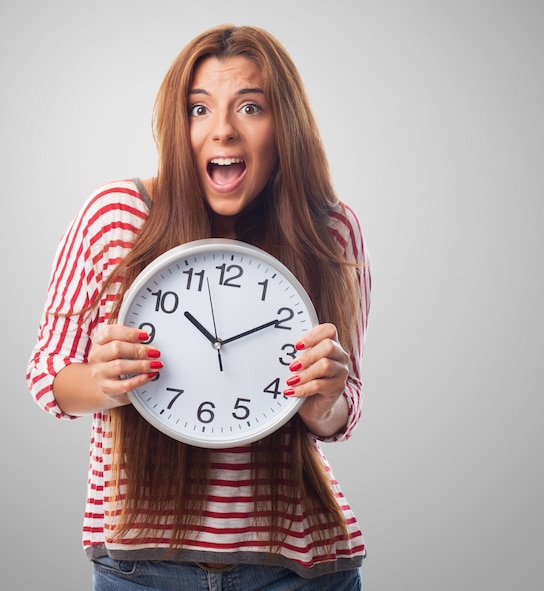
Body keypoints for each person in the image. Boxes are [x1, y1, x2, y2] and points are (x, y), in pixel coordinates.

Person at [26, 24, 371, 591]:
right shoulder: (114, 215)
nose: (223, 131)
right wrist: (105, 382)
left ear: (284, 125)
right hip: (141, 566)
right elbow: (47, 376)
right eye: (199, 109)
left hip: (298, 569)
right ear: (176, 123)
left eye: (251, 107)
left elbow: (343, 409)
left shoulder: (330, 229)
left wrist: (324, 399)